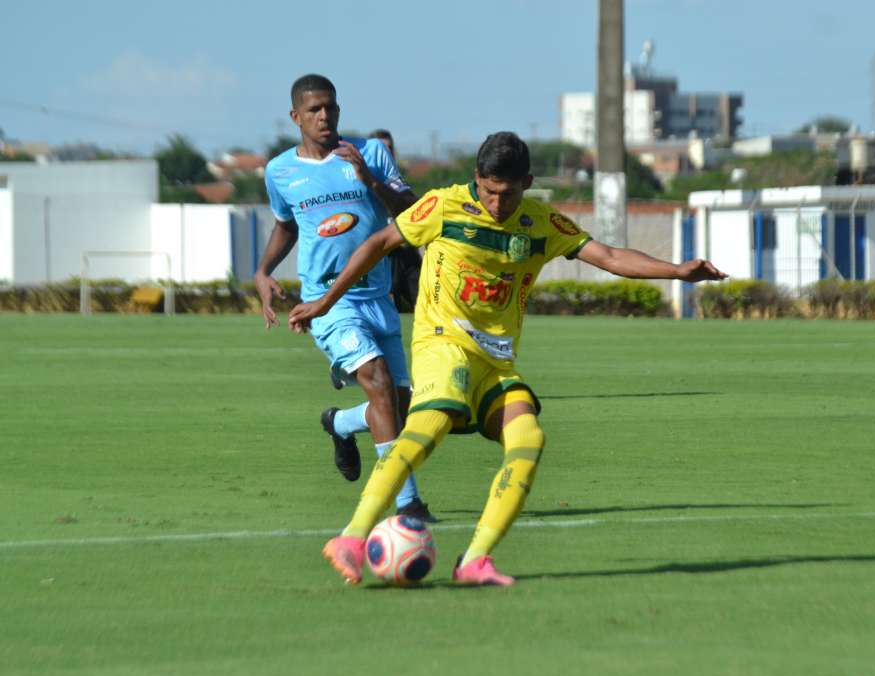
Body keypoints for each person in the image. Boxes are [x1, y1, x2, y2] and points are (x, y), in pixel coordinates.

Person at [288, 131, 727, 586]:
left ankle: (474, 560)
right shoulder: (443, 206)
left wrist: (677, 271)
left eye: (509, 193)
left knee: (529, 441)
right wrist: (324, 302)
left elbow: (610, 256)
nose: (497, 203)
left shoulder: (541, 224)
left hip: (496, 363)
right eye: (488, 190)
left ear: (528, 184)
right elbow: (378, 243)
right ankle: (352, 538)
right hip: (443, 345)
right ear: (476, 179)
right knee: (428, 427)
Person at [255, 73, 435, 522]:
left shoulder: (370, 153)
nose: (324, 116)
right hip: (328, 302)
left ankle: (338, 424)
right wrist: (262, 272)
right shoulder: (280, 171)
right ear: (296, 116)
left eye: (331, 107)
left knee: (399, 404)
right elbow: (286, 225)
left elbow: (413, 214)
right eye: (314, 109)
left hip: (380, 296)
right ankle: (407, 501)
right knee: (375, 380)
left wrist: (370, 179)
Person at [368, 128, 422, 314]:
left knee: (425, 303)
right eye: (381, 149)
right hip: (384, 255)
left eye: (389, 148)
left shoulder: (397, 181)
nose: (386, 153)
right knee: (387, 308)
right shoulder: (362, 182)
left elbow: (415, 208)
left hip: (407, 252)